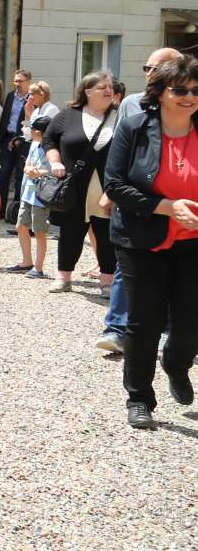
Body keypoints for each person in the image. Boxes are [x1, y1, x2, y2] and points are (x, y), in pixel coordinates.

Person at [102, 54, 198, 430]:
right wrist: (167, 207)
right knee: (144, 321)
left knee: (190, 319)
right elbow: (115, 184)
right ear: (160, 92)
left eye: (195, 90)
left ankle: (175, 363)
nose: (189, 96)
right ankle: (140, 397)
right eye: (180, 90)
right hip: (142, 238)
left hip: (194, 241)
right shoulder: (134, 126)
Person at [93, 47, 184, 354]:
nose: (149, 74)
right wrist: (110, 192)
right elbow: (119, 157)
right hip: (139, 204)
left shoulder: (189, 106)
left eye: (156, 69)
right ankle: (117, 328)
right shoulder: (132, 105)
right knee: (127, 266)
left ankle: (172, 336)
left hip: (182, 210)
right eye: (147, 68)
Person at [43, 71, 118, 297]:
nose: (108, 91)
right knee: (70, 234)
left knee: (107, 237)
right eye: (102, 87)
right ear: (87, 91)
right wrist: (55, 161)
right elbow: (48, 140)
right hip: (74, 189)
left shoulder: (121, 116)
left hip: (109, 189)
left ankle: (108, 282)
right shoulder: (68, 115)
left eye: (110, 87)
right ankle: (63, 278)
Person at [11, 115, 54, 278]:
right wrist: (29, 169)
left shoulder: (53, 148)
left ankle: (38, 267)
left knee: (39, 231)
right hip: (28, 193)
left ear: (38, 132)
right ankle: (26, 261)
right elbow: (27, 164)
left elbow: (55, 169)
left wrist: (38, 172)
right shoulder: (34, 144)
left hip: (42, 195)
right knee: (21, 226)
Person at [0, 69, 33, 224]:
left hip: (23, 141)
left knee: (20, 177)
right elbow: (6, 117)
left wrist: (20, 137)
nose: (17, 84)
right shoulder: (11, 96)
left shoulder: (32, 99)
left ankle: (16, 214)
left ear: (28, 82)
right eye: (16, 81)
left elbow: (31, 121)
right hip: (7, 139)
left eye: (20, 81)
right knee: (2, 176)